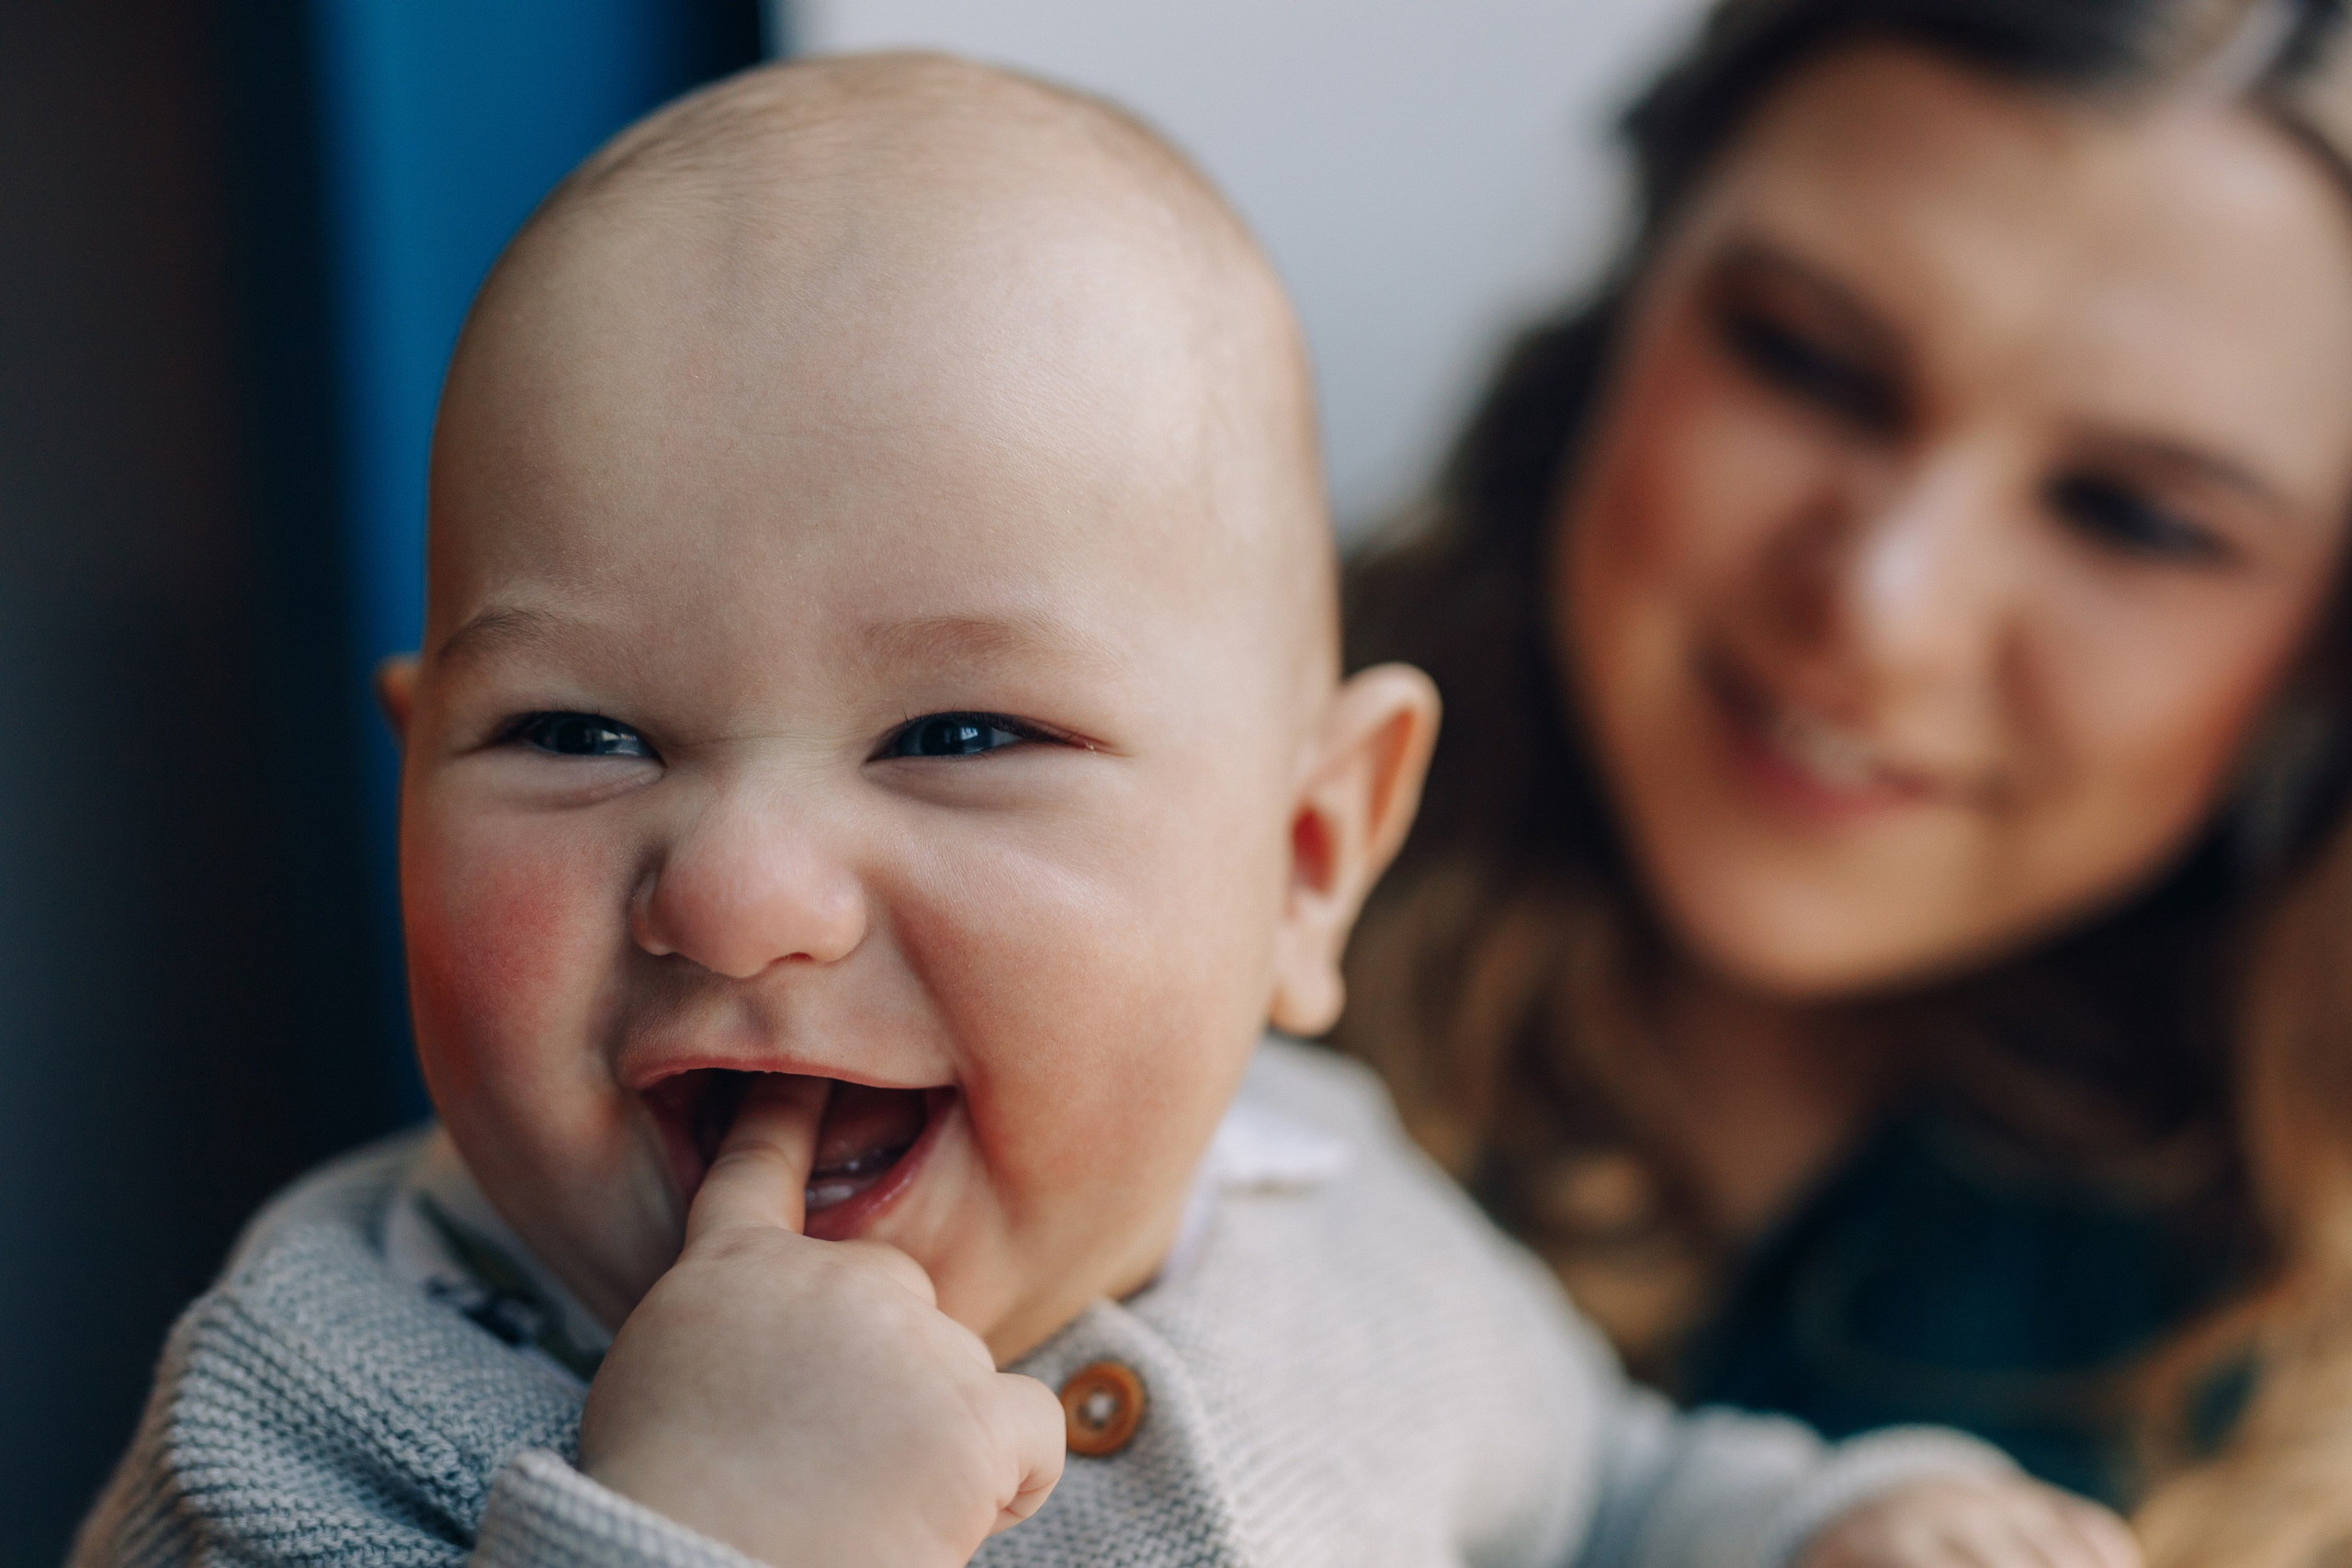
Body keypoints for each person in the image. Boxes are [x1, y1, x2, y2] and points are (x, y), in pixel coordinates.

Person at [67, 50, 2132, 1568]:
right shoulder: (313, 1405)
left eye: (962, 733)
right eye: (578, 735)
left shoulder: (1343, 1217)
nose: (744, 888)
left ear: (1310, 859)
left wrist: (1822, 1524)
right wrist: (705, 1528)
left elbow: (1591, 1485)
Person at [1337, 0, 2352, 1562]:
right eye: (1805, 361)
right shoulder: (1073, 872)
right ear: (1627, 298)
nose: (1885, 610)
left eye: (2134, 518)